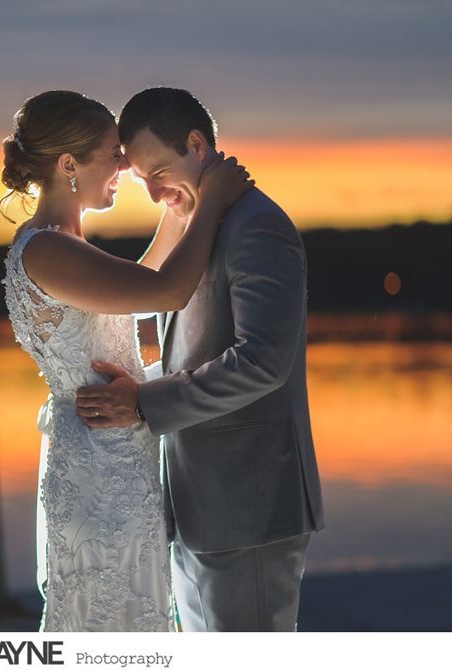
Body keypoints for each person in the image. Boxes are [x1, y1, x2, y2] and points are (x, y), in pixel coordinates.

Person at [0, 90, 251, 631]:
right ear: (68, 165)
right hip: (98, 461)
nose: (124, 167)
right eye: (113, 154)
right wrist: (210, 202)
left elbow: (141, 284)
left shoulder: (64, 241)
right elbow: (167, 291)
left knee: (132, 607)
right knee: (110, 610)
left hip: (114, 447)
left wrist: (179, 211)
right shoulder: (47, 249)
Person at [75, 87, 325, 632]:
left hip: (248, 507)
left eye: (160, 170)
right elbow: (192, 348)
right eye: (142, 179)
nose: (154, 191)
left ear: (197, 144)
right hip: (197, 508)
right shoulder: (198, 225)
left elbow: (261, 362)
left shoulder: (255, 227)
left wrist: (144, 402)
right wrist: (139, 386)